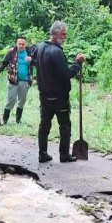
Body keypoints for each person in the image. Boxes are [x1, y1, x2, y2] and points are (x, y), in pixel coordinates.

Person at [33, 21, 85, 163]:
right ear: (55, 34)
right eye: (63, 34)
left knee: (44, 125)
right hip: (58, 97)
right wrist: (77, 63)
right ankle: (64, 155)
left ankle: (42, 154)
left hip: (44, 95)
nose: (65, 37)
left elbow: (34, 61)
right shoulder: (56, 51)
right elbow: (66, 74)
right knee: (65, 125)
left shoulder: (39, 47)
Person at [0, 37, 33, 124]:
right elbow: (4, 63)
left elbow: (37, 62)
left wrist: (32, 60)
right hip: (13, 80)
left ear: (25, 44)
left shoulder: (30, 52)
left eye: (23, 44)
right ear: (16, 44)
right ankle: (5, 120)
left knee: (22, 101)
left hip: (25, 80)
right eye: (19, 44)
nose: (21, 46)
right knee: (11, 100)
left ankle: (18, 120)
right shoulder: (11, 52)